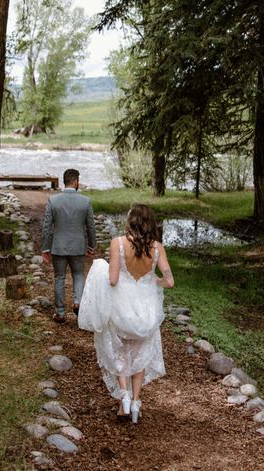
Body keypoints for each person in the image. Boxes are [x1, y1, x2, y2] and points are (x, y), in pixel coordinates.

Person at [78, 204, 174, 423]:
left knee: (120, 351)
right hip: (146, 309)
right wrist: (151, 281)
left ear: (131, 221)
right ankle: (137, 403)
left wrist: (100, 271)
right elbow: (169, 281)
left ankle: (124, 398)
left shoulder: (117, 243)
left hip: (121, 307)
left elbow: (112, 280)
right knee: (139, 354)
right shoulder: (157, 247)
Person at [41, 168, 96, 323]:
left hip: (58, 246)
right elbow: (91, 226)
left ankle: (60, 312)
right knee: (78, 275)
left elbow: (46, 227)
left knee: (59, 277)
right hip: (78, 246)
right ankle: (78, 303)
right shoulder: (85, 201)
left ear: (64, 181)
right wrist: (92, 245)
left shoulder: (53, 200)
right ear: (76, 181)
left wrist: (45, 248)